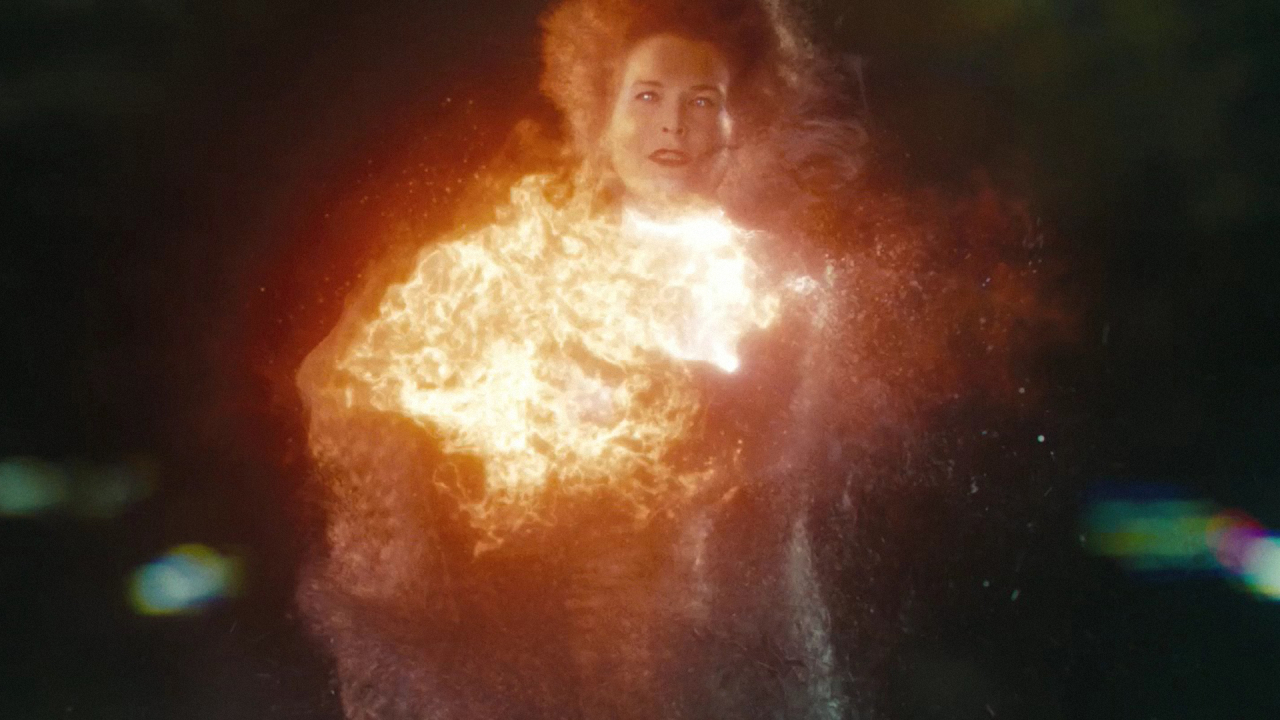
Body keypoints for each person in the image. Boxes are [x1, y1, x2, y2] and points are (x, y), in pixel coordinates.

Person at [296, 1, 887, 718]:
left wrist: (659, 416)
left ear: (743, 123)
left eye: (702, 101)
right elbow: (349, 391)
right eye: (647, 96)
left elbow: (776, 473)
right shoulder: (525, 269)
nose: (673, 126)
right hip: (560, 661)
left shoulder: (779, 288)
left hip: (735, 659)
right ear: (602, 117)